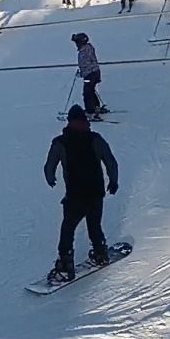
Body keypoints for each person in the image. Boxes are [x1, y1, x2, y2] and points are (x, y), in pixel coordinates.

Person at [44, 104, 119, 282]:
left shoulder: (60, 142)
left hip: (75, 194)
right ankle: (100, 253)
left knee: (68, 229)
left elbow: (50, 164)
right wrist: (113, 181)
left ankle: (65, 264)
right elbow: (110, 161)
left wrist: (50, 177)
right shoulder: (95, 139)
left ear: (69, 121)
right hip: (95, 192)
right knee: (94, 225)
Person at [72, 32, 105, 117]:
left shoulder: (85, 50)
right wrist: (81, 72)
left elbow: (87, 64)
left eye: (77, 42)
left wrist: (83, 72)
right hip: (92, 74)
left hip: (90, 75)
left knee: (87, 92)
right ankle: (96, 107)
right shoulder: (85, 49)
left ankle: (90, 111)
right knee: (91, 90)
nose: (76, 44)